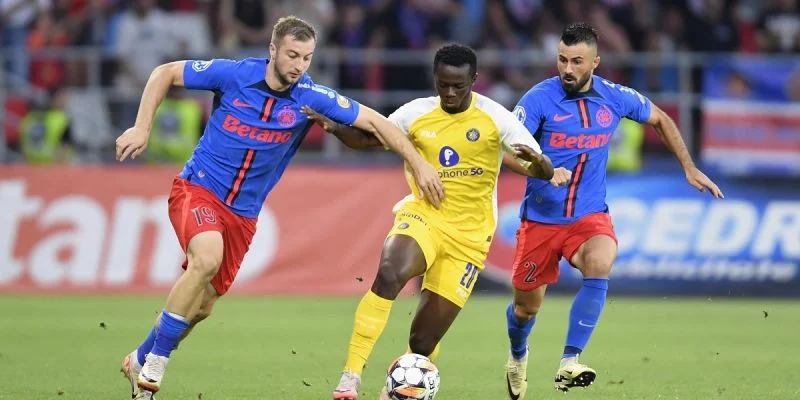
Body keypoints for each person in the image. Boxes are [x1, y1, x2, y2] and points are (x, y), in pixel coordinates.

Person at [114, 15, 444, 400]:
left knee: (201, 307)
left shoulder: (310, 97)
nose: (299, 65)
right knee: (206, 259)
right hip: (198, 188)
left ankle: (139, 357)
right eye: (292, 55)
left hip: (244, 215)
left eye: (307, 57)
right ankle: (155, 365)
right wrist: (142, 127)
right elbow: (165, 72)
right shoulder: (235, 75)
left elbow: (376, 122)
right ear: (273, 50)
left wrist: (418, 163)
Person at [302, 43, 562, 400]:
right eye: (443, 85)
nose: (450, 93)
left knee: (422, 341)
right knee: (391, 272)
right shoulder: (415, 113)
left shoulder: (497, 118)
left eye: (458, 86)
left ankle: (399, 389)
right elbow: (368, 139)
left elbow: (541, 168)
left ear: (474, 80)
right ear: (435, 79)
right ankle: (351, 376)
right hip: (424, 215)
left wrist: (541, 163)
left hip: (469, 239)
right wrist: (332, 126)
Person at [502, 22, 724, 398]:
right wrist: (542, 170)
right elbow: (506, 152)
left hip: (589, 216)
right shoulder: (537, 100)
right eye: (562, 59)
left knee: (601, 260)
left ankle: (569, 361)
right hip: (541, 219)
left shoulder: (615, 97)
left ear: (595, 62)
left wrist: (688, 166)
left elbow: (660, 118)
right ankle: (518, 355)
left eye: (576, 61)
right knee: (526, 310)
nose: (567, 69)